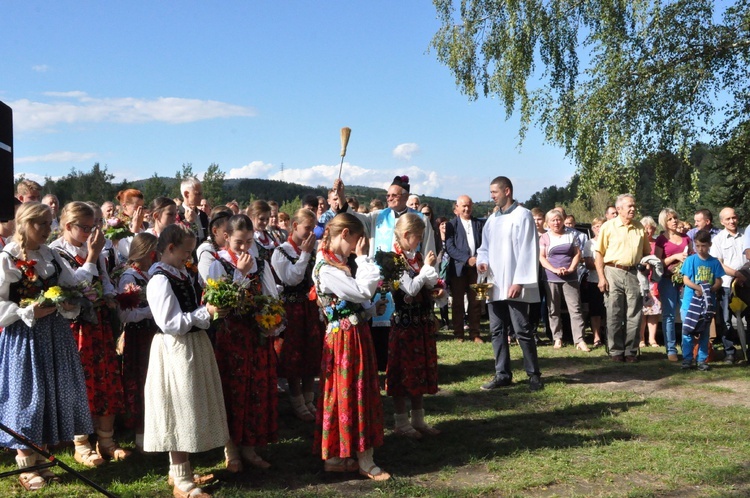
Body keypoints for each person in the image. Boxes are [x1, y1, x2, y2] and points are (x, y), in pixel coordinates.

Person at [0, 202, 92, 491]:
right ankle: (26, 464)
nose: (46, 229)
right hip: (23, 337)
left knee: (49, 394)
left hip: (53, 334)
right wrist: (25, 312)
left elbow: (70, 284)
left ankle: (41, 457)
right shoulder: (7, 258)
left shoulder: (50, 254)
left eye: (49, 223)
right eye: (40, 223)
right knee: (28, 397)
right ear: (24, 224)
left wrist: (69, 301)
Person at [144, 224, 229, 498]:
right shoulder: (159, 279)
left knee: (190, 406)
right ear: (169, 248)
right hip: (175, 348)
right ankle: (182, 481)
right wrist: (205, 313)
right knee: (179, 408)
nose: (189, 257)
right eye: (186, 252)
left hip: (192, 345)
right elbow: (170, 323)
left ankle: (179, 471)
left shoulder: (180, 273)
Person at [50, 201, 129, 466]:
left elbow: (103, 278)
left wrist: (109, 295)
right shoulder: (55, 253)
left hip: (99, 324)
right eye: (85, 227)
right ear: (68, 226)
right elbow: (74, 287)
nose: (90, 232)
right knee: (79, 383)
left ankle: (106, 440)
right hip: (75, 326)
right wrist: (92, 256)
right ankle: (81, 443)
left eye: (93, 225)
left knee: (106, 378)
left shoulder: (93, 247)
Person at [312, 213, 389, 480]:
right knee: (351, 392)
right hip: (345, 341)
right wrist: (364, 259)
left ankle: (342, 455)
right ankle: (359, 458)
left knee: (349, 392)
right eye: (355, 241)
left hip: (351, 337)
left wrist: (368, 311)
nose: (356, 247)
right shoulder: (327, 268)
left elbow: (352, 303)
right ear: (344, 234)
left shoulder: (335, 263)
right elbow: (360, 292)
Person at [336, 176, 436, 372]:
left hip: (410, 279)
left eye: (393, 195)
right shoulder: (378, 216)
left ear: (405, 197)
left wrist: (431, 279)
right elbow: (354, 217)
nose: (389, 198)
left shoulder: (420, 219)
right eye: (387, 195)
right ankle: (383, 364)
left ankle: (408, 364)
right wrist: (341, 197)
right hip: (381, 279)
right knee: (380, 321)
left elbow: (429, 251)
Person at [209, 214, 278, 472]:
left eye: (249, 241)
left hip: (256, 335)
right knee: (232, 390)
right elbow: (221, 302)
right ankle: (231, 450)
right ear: (226, 237)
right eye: (239, 241)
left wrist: (272, 321)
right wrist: (241, 274)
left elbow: (271, 295)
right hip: (231, 337)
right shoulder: (218, 263)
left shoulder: (260, 264)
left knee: (254, 391)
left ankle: (249, 446)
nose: (244, 248)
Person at [477, 176, 543, 391]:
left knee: (522, 329)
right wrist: (482, 262)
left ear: (507, 191)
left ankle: (534, 375)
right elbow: (483, 248)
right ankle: (502, 374)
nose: (492, 196)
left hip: (514, 283)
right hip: (495, 283)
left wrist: (519, 281)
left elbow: (528, 250)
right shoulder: (492, 219)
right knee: (496, 330)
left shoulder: (522, 215)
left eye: (494, 192)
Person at [387, 213, 445, 439]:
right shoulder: (392, 259)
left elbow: (426, 284)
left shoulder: (416, 257)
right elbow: (410, 288)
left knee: (420, 370)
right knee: (403, 372)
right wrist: (426, 269)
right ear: (406, 235)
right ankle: (401, 421)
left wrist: (437, 289)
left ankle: (418, 419)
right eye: (418, 236)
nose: (419, 241)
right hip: (404, 325)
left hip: (421, 322)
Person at [270, 208, 323, 422]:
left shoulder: (311, 249)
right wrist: (305, 254)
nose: (311, 233)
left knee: (311, 352)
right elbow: (292, 279)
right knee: (292, 355)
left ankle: (309, 399)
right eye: (307, 228)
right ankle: (297, 400)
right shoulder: (281, 252)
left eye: (313, 229)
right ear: (294, 226)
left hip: (309, 308)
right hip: (291, 309)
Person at [594, 194, 651, 363]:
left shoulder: (640, 227)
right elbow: (599, 254)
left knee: (634, 313)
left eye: (634, 206)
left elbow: (647, 253)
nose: (633, 209)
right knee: (614, 312)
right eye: (629, 206)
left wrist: (647, 265)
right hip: (613, 271)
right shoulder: (608, 227)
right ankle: (616, 350)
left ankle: (631, 350)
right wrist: (601, 278)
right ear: (619, 209)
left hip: (634, 273)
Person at [118, 232, 160, 452]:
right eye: (154, 251)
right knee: (140, 380)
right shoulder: (129, 277)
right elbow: (125, 314)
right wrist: (152, 311)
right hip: (139, 336)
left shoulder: (151, 274)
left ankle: (156, 430)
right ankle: (140, 433)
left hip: (154, 334)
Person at [539, 209, 589, 351]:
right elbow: (542, 257)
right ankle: (557, 338)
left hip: (570, 277)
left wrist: (572, 268)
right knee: (553, 309)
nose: (556, 222)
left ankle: (579, 340)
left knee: (575, 308)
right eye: (553, 220)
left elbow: (577, 254)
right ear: (548, 223)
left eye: (558, 219)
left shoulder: (571, 235)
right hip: (551, 277)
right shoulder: (544, 237)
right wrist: (554, 270)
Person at [680, 230, 725, 370]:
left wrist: (710, 289)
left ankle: (702, 360)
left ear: (709, 245)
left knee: (704, 332)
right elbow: (685, 279)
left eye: (704, 246)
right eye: (698, 245)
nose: (700, 249)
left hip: (706, 305)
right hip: (690, 303)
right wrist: (697, 287)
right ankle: (687, 359)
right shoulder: (691, 260)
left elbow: (719, 280)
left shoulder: (714, 262)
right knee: (687, 331)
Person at [444, 195, 485, 342]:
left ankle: (475, 333)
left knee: (475, 302)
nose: (466, 208)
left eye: (469, 205)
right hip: (458, 269)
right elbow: (450, 247)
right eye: (463, 206)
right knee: (457, 303)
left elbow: (484, 244)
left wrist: (479, 259)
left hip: (476, 269)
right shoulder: (451, 225)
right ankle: (458, 333)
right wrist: (467, 259)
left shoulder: (479, 224)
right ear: (457, 207)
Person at [710, 207, 747, 364]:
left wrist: (743, 275)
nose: (732, 221)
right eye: (728, 219)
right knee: (726, 320)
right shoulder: (718, 240)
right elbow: (718, 264)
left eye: (734, 217)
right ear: (721, 222)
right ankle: (730, 353)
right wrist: (736, 274)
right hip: (726, 286)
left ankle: (747, 353)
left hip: (746, 283)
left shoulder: (746, 237)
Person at [655, 208, 691, 362]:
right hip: (667, 279)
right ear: (664, 222)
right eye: (670, 219)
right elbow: (657, 262)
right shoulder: (661, 240)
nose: (674, 221)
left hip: (685, 281)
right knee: (669, 315)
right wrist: (674, 257)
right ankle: (671, 349)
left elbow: (692, 257)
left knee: (686, 314)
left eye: (675, 218)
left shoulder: (686, 238)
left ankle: (687, 347)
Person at [638, 216, 661, 348]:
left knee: (654, 310)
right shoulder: (638, 243)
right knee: (641, 311)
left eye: (650, 228)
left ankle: (652, 339)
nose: (647, 231)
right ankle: (641, 338)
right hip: (640, 280)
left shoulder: (657, 243)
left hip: (654, 281)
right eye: (645, 228)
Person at [179, 176, 210, 244]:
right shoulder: (177, 215)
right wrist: (187, 222)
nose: (201, 197)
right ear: (186, 194)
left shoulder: (203, 215)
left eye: (201, 194)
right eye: (198, 194)